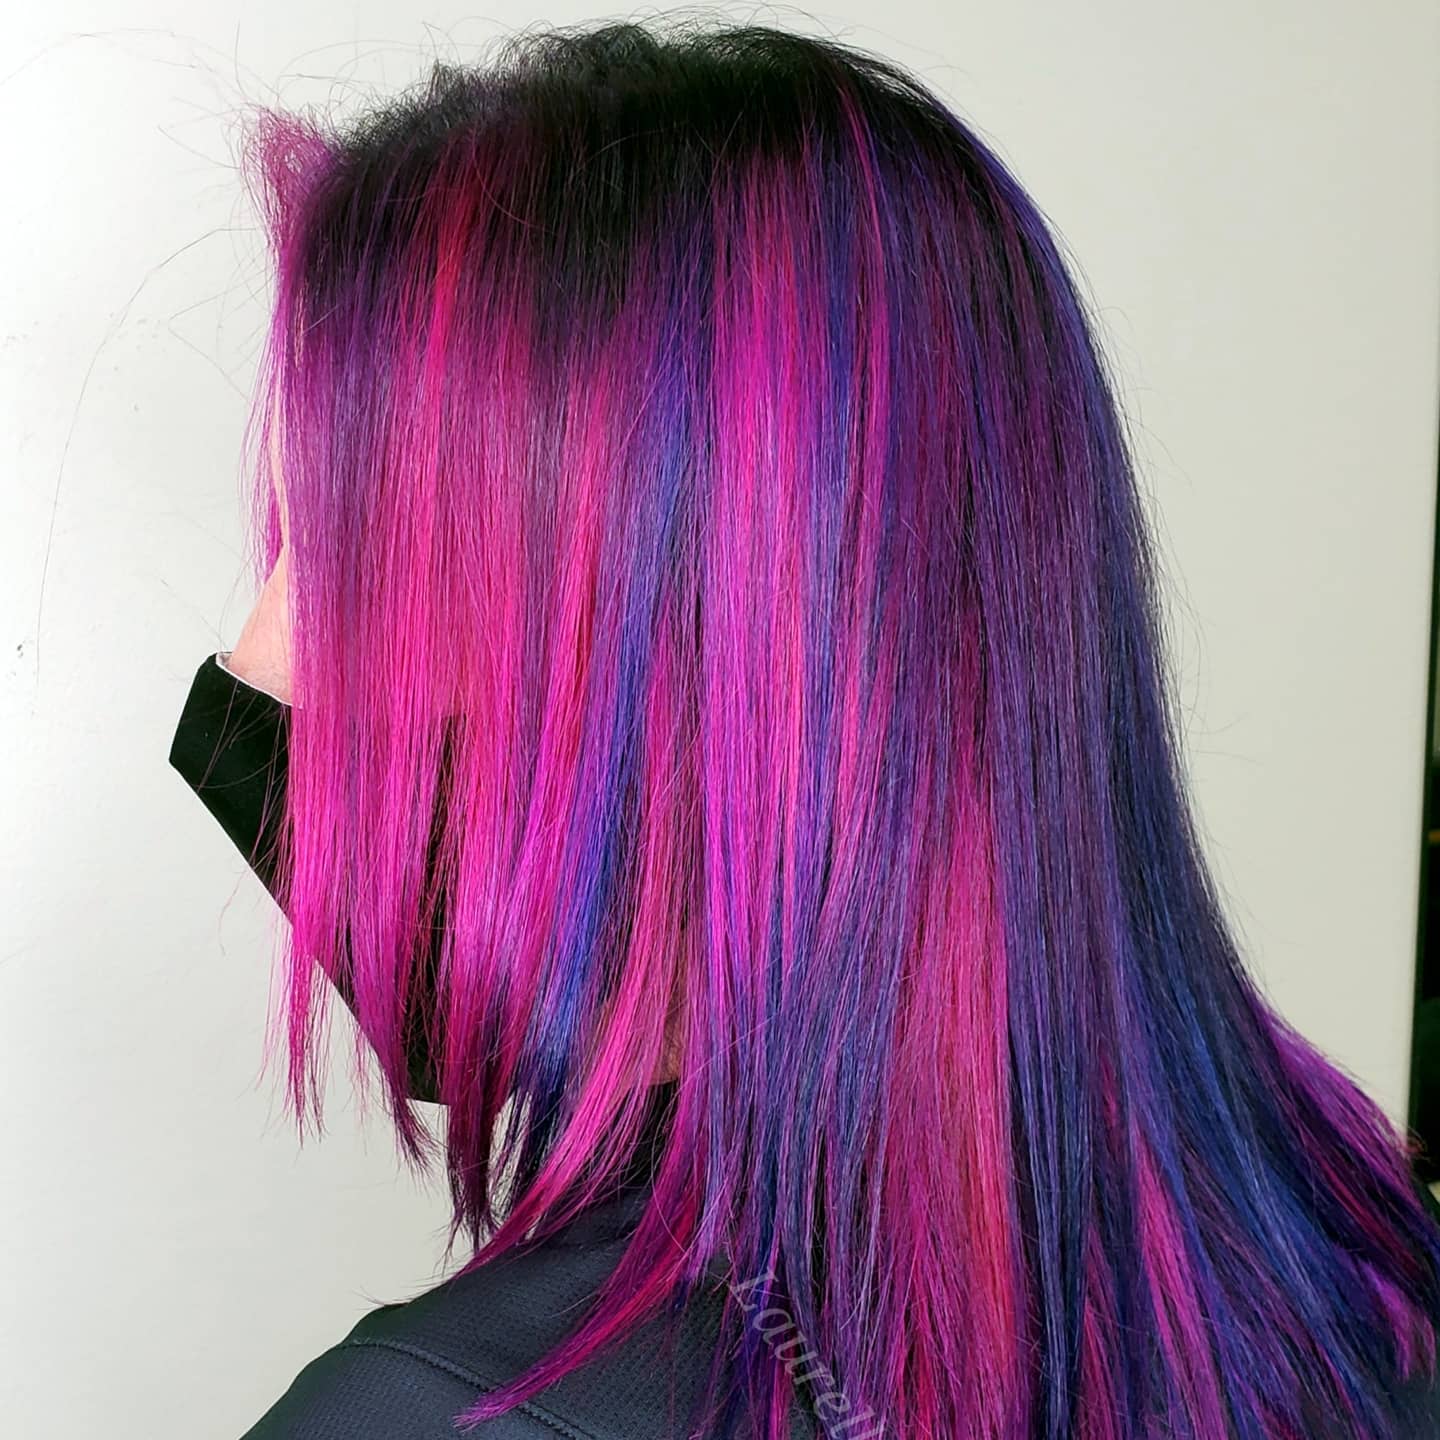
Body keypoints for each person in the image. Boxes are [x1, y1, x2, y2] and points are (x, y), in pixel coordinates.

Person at [168, 20, 1440, 1438]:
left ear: (689, 645)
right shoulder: (1364, 1274)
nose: (258, 655)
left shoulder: (436, 1416)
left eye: (349, 554)